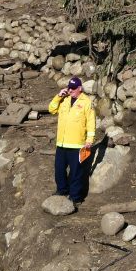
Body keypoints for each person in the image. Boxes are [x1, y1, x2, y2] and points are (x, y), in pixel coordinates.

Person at [48, 76, 96, 205]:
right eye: (69, 88)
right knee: (59, 169)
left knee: (76, 172)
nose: (71, 90)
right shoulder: (64, 100)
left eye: (73, 88)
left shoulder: (87, 102)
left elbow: (91, 122)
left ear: (80, 88)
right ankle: (62, 190)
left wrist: (89, 139)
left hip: (77, 144)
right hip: (61, 143)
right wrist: (58, 96)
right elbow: (51, 109)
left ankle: (76, 197)